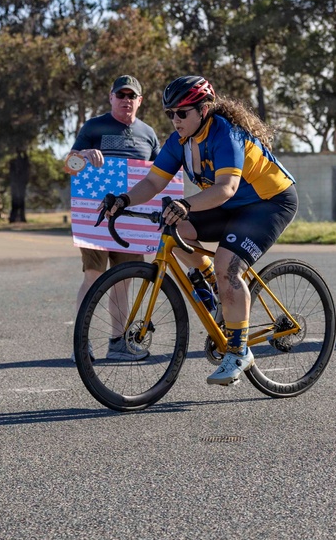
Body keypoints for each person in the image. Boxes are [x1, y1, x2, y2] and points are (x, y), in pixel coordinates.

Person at [104, 75, 298, 386]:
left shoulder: (226, 134)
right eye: (170, 113)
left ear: (204, 109)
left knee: (228, 266)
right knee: (175, 230)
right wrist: (124, 199)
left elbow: (227, 187)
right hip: (231, 203)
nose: (175, 119)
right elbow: (154, 182)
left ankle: (238, 351)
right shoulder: (179, 141)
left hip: (269, 202)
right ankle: (216, 288)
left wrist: (187, 203)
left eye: (182, 113)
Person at [69, 75, 160, 361]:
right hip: (95, 217)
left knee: (124, 281)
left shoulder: (149, 133)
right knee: (93, 277)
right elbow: (69, 166)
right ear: (111, 98)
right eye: (120, 95)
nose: (126, 100)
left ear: (140, 101)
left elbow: (161, 175)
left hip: (133, 219)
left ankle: (118, 343)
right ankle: (81, 344)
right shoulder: (94, 127)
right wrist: (82, 155)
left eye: (131, 96)